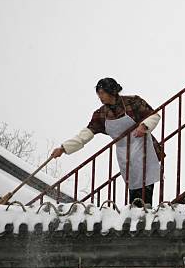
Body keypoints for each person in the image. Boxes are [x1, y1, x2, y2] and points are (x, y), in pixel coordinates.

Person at [51, 78, 162, 208]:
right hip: (124, 154)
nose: (100, 97)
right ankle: (137, 212)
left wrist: (144, 126)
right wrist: (64, 148)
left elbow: (153, 116)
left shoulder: (133, 102)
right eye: (98, 93)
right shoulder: (101, 114)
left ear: (112, 91)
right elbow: (86, 133)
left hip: (144, 148)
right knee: (133, 185)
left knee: (145, 183)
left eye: (102, 93)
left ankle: (145, 210)